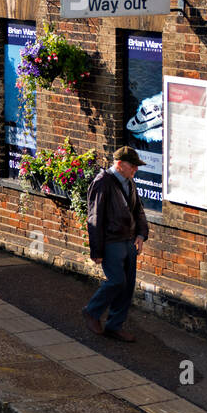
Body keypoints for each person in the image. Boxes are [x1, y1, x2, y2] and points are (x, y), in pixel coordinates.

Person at [82, 146, 150, 342]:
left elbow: (139, 210)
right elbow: (95, 217)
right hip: (112, 241)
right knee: (116, 281)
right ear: (119, 164)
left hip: (129, 240)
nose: (135, 170)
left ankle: (114, 326)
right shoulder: (102, 182)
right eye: (132, 166)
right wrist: (96, 249)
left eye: (136, 166)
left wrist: (141, 234)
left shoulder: (130, 182)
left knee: (127, 286)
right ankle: (91, 311)